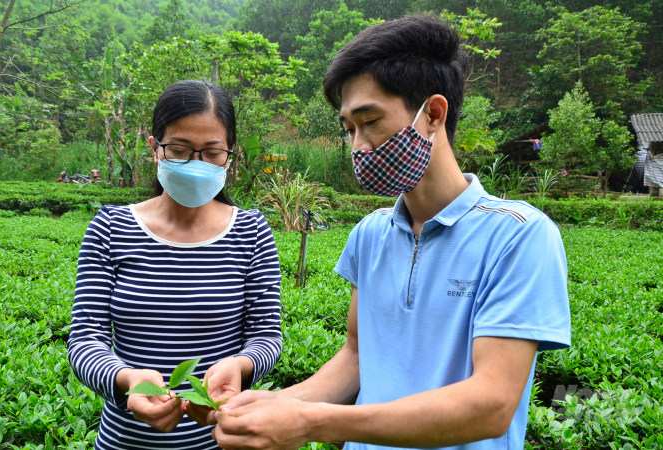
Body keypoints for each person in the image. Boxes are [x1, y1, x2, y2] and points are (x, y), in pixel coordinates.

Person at [209, 14, 571, 450]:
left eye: (370, 121)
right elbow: (357, 357)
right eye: (348, 129)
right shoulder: (370, 233)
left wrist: (313, 423)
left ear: (433, 114)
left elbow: (492, 403)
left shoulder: (519, 236)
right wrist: (268, 407)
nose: (358, 145)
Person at [68, 80, 282, 450]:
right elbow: (85, 338)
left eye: (212, 152)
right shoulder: (111, 228)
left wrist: (242, 366)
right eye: (180, 150)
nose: (196, 164)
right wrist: (127, 378)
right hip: (124, 442)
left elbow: (266, 336)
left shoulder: (251, 232)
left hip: (220, 440)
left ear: (229, 155)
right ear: (155, 149)